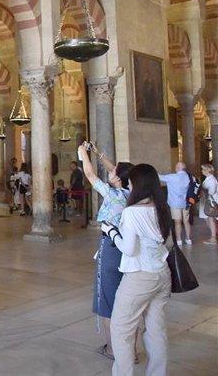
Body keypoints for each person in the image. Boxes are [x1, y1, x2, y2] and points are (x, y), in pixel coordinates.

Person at [101, 164, 172, 376]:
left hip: (140, 276)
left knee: (121, 329)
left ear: (138, 185)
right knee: (156, 332)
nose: (129, 185)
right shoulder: (161, 207)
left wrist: (111, 231)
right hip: (162, 274)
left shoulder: (132, 213)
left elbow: (129, 249)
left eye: (131, 182)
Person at [79, 142, 134, 362]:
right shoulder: (133, 192)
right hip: (128, 249)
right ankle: (130, 350)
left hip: (111, 249)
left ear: (118, 178)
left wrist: (83, 153)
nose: (110, 171)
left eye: (113, 172)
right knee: (127, 300)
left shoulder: (113, 196)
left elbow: (90, 175)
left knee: (108, 301)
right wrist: (99, 153)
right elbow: (120, 171)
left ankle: (113, 349)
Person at [159, 162, 192, 244]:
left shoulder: (172, 177)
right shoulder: (189, 177)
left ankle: (179, 240)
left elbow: (159, 177)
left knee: (177, 222)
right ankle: (188, 239)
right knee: (186, 221)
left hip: (175, 203)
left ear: (177, 168)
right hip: (187, 203)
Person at [198, 164, 218, 244]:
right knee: (209, 219)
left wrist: (203, 189)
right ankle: (214, 236)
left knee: (211, 219)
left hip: (211, 202)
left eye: (203, 169)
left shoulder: (212, 180)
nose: (202, 171)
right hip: (207, 201)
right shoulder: (209, 179)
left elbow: (211, 192)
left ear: (207, 170)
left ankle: (213, 238)